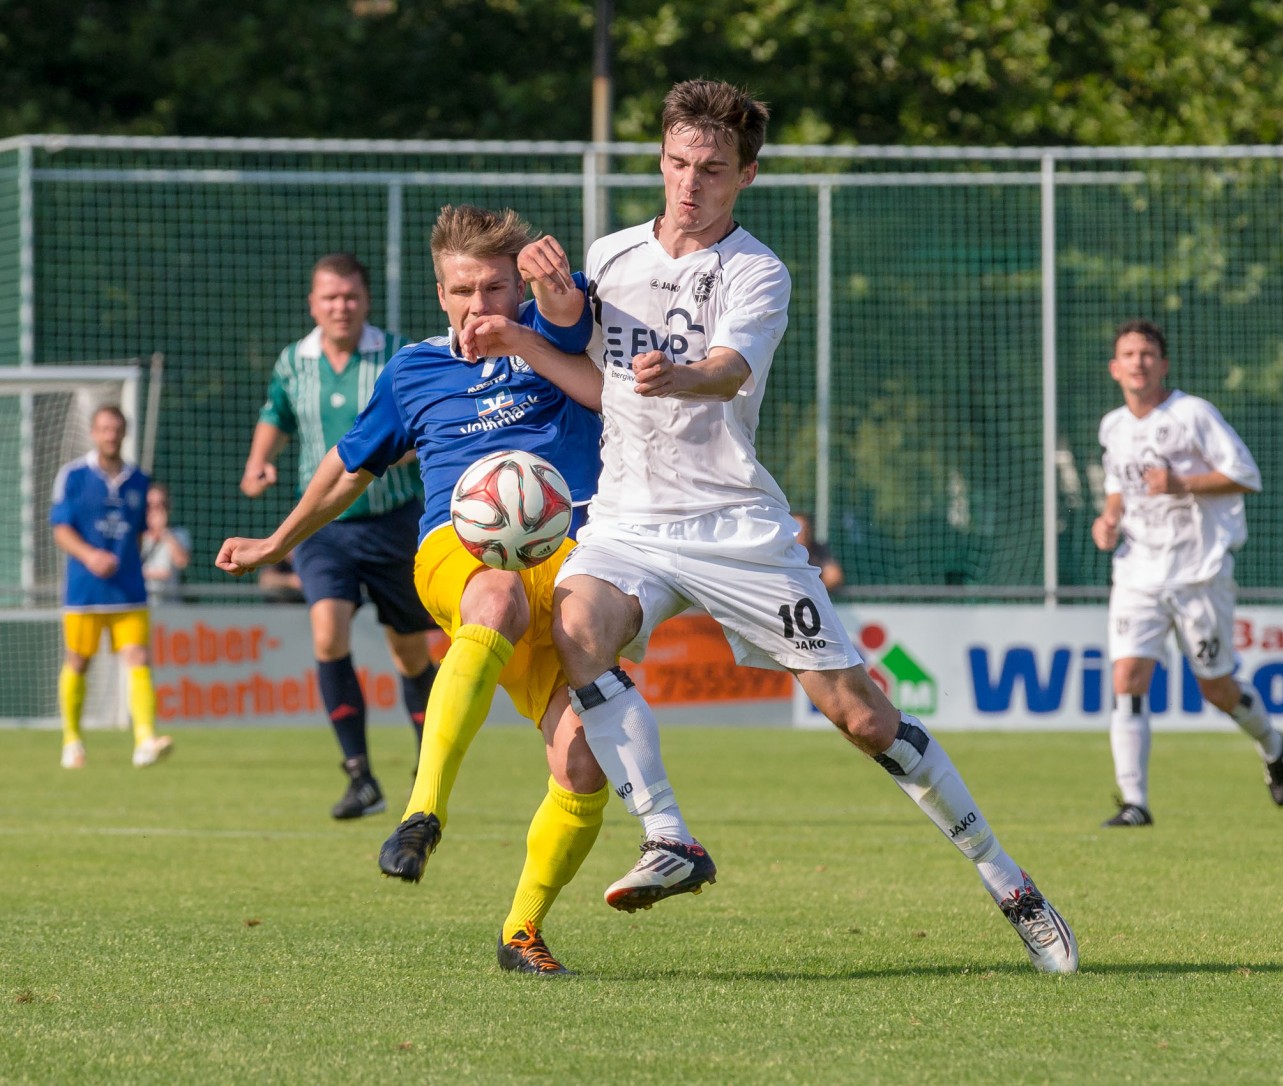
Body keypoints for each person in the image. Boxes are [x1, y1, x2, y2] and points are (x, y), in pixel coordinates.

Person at [459, 80, 1076, 973]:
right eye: (677, 164)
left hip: (734, 527)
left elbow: (725, 371)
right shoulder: (615, 255)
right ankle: (669, 837)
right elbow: (602, 386)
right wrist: (532, 329)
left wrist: (682, 376)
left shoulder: (757, 270)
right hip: (629, 520)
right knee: (579, 623)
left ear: (745, 174)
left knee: (864, 719)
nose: (689, 184)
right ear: (660, 162)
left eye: (712, 169)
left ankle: (1007, 879)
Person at [218, 205, 607, 976]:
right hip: (457, 554)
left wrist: (547, 304)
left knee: (584, 762)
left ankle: (521, 932)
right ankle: (420, 814)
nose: (479, 307)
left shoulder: (560, 332)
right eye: (462, 291)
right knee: (494, 596)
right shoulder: (414, 370)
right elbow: (343, 467)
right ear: (439, 292)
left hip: (570, 566)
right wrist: (277, 541)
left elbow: (603, 350)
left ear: (518, 284)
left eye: (495, 288)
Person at [241, 252, 440, 821]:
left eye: (350, 296)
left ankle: (429, 764)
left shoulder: (395, 355)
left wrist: (393, 454)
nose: (340, 307)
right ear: (313, 304)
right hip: (322, 526)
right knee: (327, 633)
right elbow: (276, 414)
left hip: (392, 521)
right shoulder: (293, 361)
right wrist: (259, 463)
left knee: (408, 651)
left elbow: (420, 425)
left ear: (365, 300)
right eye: (329, 297)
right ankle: (360, 777)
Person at [1090, 320, 1283, 828]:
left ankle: (1273, 745)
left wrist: (1182, 481)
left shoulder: (1192, 414)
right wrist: (1109, 517)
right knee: (1127, 677)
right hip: (1138, 570)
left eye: (1148, 354)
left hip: (1198, 571)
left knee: (1217, 689)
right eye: (1129, 354)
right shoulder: (1113, 426)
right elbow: (1119, 484)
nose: (1138, 362)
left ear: (1164, 364)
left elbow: (1246, 475)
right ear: (1115, 368)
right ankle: (1134, 802)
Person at [50, 405, 173, 769]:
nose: (110, 435)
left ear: (124, 432)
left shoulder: (139, 480)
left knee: (138, 658)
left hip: (128, 590)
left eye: (116, 429)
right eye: (104, 429)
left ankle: (145, 740)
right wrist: (90, 556)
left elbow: (138, 534)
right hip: (85, 591)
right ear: (93, 432)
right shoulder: (72, 476)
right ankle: (72, 741)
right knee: (78, 660)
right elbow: (60, 529)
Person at [140, 482, 192, 605]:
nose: (155, 510)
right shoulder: (137, 535)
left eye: (161, 505)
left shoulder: (179, 534)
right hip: (142, 604)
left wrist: (164, 532)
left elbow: (182, 562)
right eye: (150, 505)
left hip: (170, 606)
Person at [793, 511, 845, 591]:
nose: (802, 534)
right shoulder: (780, 552)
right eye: (797, 530)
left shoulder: (819, 550)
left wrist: (809, 590)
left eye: (804, 529)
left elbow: (834, 577)